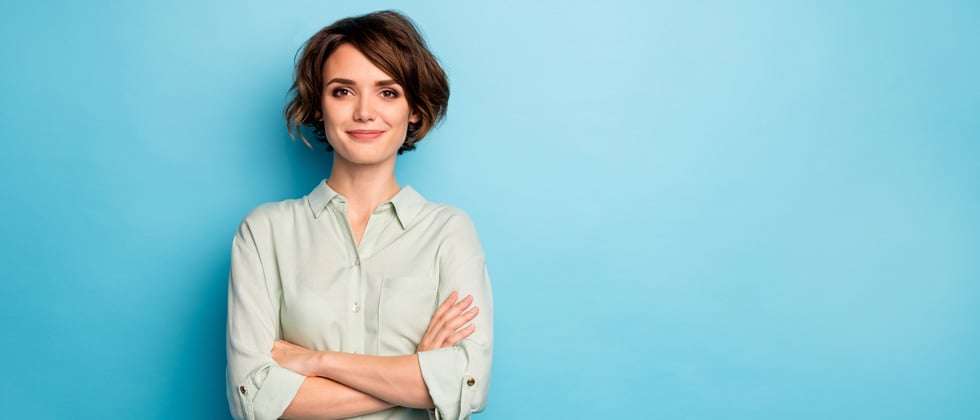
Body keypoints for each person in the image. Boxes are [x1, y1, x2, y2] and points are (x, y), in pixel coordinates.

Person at [225, 10, 493, 420]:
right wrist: (419, 378)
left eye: (388, 92)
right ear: (318, 107)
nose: (365, 112)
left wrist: (318, 362)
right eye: (343, 91)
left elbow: (467, 386)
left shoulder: (449, 232)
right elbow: (254, 399)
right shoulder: (265, 232)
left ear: (415, 110)